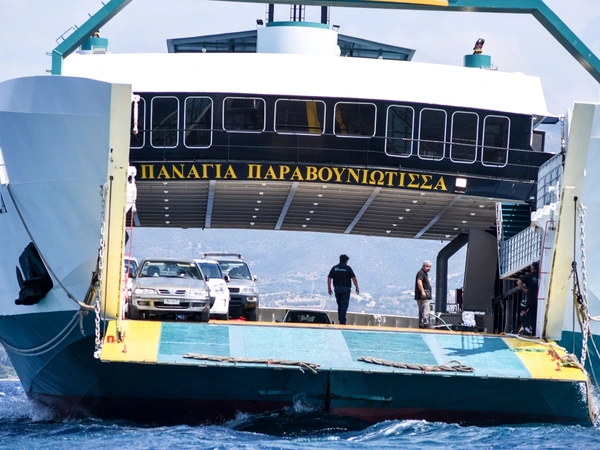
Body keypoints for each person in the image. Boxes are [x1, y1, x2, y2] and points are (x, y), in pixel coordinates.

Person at [327, 254, 359, 325]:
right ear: (346, 261)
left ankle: (341, 320)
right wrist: (356, 287)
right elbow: (353, 278)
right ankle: (342, 321)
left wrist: (329, 288)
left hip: (337, 288)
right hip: (346, 289)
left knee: (340, 305)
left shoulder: (335, 268)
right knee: (344, 305)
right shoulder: (348, 268)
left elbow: (329, 278)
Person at [517, 261, 539, 336]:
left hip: (531, 299)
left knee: (532, 316)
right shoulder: (540, 275)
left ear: (531, 268)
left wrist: (524, 289)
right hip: (540, 300)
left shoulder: (528, 276)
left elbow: (519, 282)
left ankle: (533, 332)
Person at [414, 261, 433, 329]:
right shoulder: (421, 273)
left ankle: (421, 324)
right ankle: (425, 323)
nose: (429, 268)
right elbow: (419, 282)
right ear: (423, 266)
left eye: (430, 267)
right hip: (423, 297)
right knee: (425, 310)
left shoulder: (424, 274)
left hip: (422, 296)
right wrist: (422, 291)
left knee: (421, 311)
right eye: (427, 266)